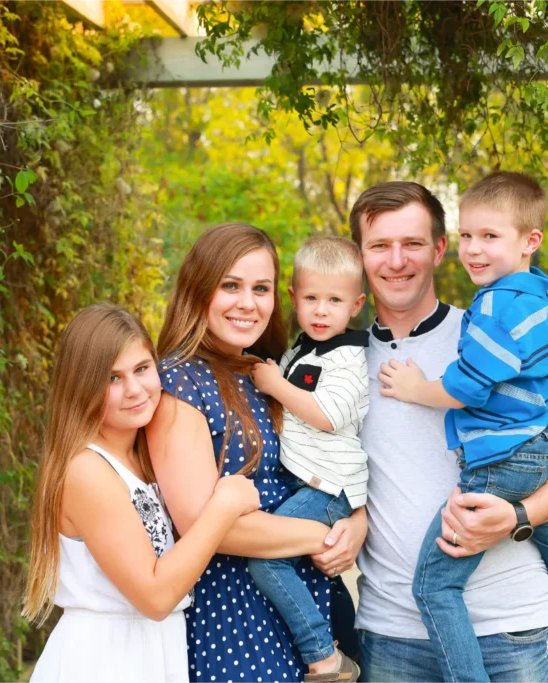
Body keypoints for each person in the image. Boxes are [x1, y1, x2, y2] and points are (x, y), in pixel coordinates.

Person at [347, 181, 548, 683]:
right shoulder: (335, 362)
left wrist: (519, 516)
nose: (396, 260)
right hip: (389, 638)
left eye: (413, 244)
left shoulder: (485, 330)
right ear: (360, 254)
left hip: (511, 635)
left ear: (440, 249)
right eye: (379, 245)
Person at [145, 224, 368, 683]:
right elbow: (202, 526)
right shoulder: (179, 383)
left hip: (300, 605)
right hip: (233, 616)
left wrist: (356, 524)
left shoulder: (262, 372)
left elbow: (319, 464)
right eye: (231, 285)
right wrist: (322, 538)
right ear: (198, 289)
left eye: (260, 288)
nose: (248, 302)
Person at [22, 304, 260, 683]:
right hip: (105, 659)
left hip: (149, 650)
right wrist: (225, 506)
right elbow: (154, 597)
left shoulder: (141, 459)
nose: (134, 389)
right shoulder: (86, 470)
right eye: (112, 378)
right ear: (81, 384)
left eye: (141, 369)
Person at [247, 236, 369, 682]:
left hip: (329, 486)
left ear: (355, 304)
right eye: (312, 298)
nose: (321, 310)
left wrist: (274, 383)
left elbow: (329, 414)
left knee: (267, 559)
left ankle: (325, 656)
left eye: (334, 300)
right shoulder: (301, 350)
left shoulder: (350, 357)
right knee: (317, 573)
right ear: (294, 298)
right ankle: (337, 637)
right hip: (310, 482)